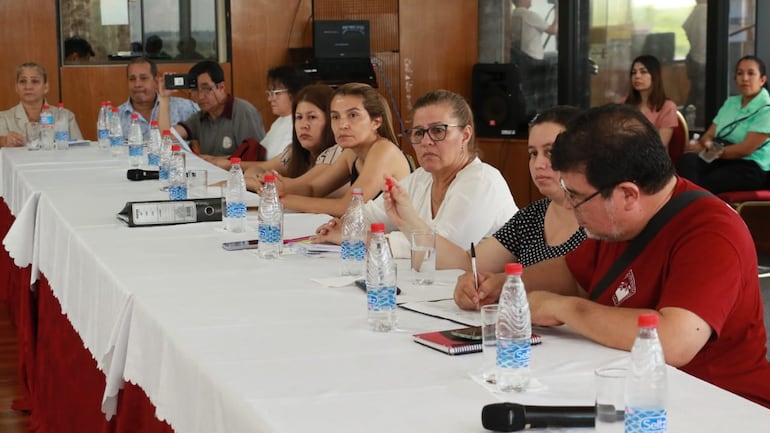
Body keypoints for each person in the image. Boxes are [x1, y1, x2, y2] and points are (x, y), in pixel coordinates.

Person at [456, 103, 770, 408]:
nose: (568, 206)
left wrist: (565, 309)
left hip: (717, 405)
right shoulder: (618, 222)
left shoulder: (711, 232)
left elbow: (674, 341)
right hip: (631, 390)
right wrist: (505, 286)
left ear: (628, 194)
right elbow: (570, 275)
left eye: (576, 196)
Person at [312, 89, 517, 257]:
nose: (426, 141)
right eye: (418, 133)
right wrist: (345, 225)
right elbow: (373, 214)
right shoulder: (422, 177)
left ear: (465, 135)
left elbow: (439, 247)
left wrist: (356, 238)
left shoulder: (483, 181)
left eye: (438, 130)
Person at [445, 106, 585, 288]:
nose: (538, 164)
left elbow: (582, 289)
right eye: (533, 153)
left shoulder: (599, 221)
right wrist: (471, 285)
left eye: (550, 152)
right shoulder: (533, 215)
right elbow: (470, 264)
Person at [277, 82, 412, 217]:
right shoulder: (351, 153)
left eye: (353, 115)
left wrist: (284, 199)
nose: (342, 125)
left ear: (376, 122)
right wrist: (275, 187)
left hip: (396, 236)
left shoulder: (384, 150)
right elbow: (313, 189)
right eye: (335, 117)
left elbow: (348, 206)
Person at [677, 55, 770, 193]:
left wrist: (709, 150)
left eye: (751, 73)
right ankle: (689, 207)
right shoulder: (731, 103)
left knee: (707, 180)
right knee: (687, 161)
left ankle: (694, 209)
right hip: (720, 156)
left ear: (762, 80)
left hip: (751, 166)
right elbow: (708, 135)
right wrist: (707, 147)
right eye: (740, 73)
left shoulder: (766, 110)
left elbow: (744, 149)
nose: (744, 78)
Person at [242, 84, 345, 196]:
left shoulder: (337, 152)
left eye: (312, 117)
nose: (303, 125)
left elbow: (299, 187)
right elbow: (255, 169)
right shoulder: (293, 152)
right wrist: (261, 183)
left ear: (331, 120)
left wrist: (265, 182)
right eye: (299, 117)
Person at [207, 65, 310, 170]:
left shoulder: (299, 126)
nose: (270, 99)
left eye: (276, 93)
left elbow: (274, 166)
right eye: (269, 93)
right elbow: (258, 157)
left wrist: (228, 164)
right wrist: (214, 159)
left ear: (295, 93)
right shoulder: (279, 121)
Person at [158, 60, 266, 157]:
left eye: (206, 89)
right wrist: (164, 98)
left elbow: (255, 157)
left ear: (222, 87)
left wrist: (216, 161)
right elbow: (167, 136)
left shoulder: (243, 111)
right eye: (195, 90)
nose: (200, 96)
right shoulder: (202, 116)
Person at [0, 62, 83, 147]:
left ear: (46, 87)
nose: (28, 87)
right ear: (16, 87)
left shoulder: (65, 116)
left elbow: (80, 150)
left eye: (35, 81)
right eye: (23, 81)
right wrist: (4, 141)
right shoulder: (4, 118)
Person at [116, 57, 199, 139]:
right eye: (132, 79)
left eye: (143, 78)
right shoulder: (116, 117)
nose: (137, 84)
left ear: (156, 81)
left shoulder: (183, 107)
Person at [510, 0, 558, 116]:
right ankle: (552, 107)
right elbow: (553, 30)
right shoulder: (529, 15)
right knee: (558, 60)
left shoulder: (514, 15)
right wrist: (558, 11)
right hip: (533, 61)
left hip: (522, 59)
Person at [623, 55, 678, 149]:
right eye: (633, 72)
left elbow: (660, 145)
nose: (637, 76)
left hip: (653, 160)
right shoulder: (624, 103)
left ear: (655, 75)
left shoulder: (667, 107)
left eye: (643, 72)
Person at [683, 0, 707, 128]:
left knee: (695, 93)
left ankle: (683, 123)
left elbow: (686, 28)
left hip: (694, 57)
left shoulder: (698, 11)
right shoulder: (704, 10)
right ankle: (699, 127)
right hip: (701, 60)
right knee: (701, 97)